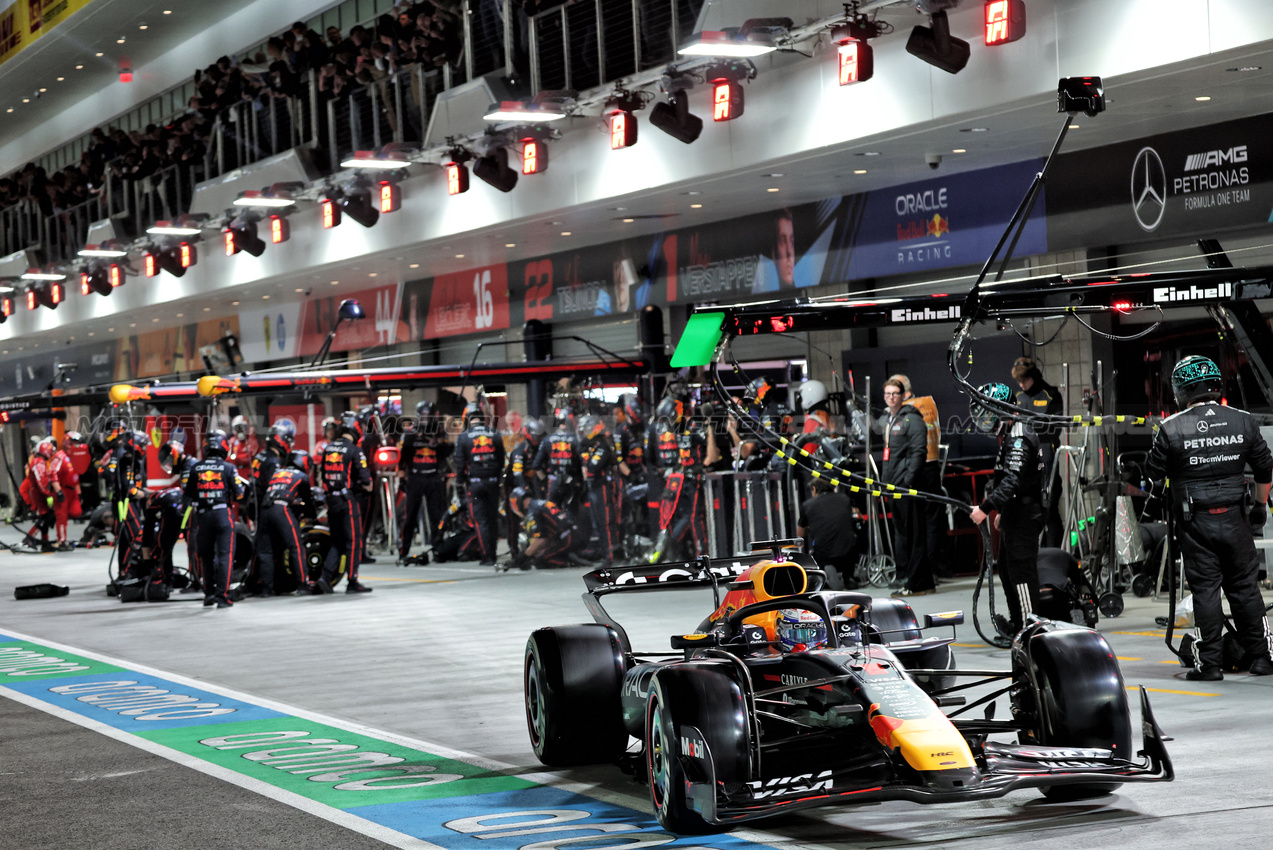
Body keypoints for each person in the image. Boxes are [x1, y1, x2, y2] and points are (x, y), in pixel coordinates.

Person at [1145, 355, 1273, 680]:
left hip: (1195, 522)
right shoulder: (1243, 421)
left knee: (1205, 592)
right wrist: (1260, 505)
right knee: (1245, 589)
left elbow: (1153, 474)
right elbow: (1264, 467)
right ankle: (1261, 658)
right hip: (1236, 517)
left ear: (1180, 390)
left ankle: (1210, 665)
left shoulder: (1171, 427)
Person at [968, 382, 1046, 640]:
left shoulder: (1019, 436)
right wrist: (1001, 510)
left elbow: (1013, 480)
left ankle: (1030, 629)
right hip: (1015, 510)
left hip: (1026, 513)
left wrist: (986, 508)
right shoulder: (1011, 431)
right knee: (1006, 567)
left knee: (1021, 572)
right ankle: (1017, 624)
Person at [890, 374, 947, 578]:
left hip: (912, 472)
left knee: (909, 526)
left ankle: (910, 571)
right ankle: (931, 567)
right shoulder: (928, 403)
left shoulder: (903, 415)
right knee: (931, 521)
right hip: (932, 468)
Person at [649, 396, 720, 562]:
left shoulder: (695, 426)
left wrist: (709, 429)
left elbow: (713, 456)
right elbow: (684, 455)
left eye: (671, 417)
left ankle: (702, 556)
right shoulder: (680, 430)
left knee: (695, 518)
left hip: (697, 480)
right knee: (683, 516)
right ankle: (680, 553)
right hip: (684, 480)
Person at [881, 377, 932, 597]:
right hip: (893, 485)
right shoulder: (889, 419)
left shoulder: (912, 418)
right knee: (903, 536)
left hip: (906, 486)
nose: (891, 397)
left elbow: (919, 451)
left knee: (914, 535)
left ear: (903, 395)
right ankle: (912, 580)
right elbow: (888, 455)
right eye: (887, 394)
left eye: (895, 393)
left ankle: (919, 583)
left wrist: (908, 481)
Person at [185, 430, 245, 609]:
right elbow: (240, 495)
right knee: (225, 555)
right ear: (223, 446)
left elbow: (188, 496)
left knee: (206, 556)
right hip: (222, 514)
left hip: (202, 515)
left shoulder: (196, 467)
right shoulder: (228, 467)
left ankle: (209, 594)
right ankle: (222, 597)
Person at [317, 415, 374, 593]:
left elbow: (322, 477)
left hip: (331, 501)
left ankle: (325, 577)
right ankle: (352, 581)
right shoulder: (355, 450)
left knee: (337, 542)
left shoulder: (327, 449)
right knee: (354, 541)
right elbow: (368, 484)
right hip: (347, 501)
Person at [1012, 356, 1065, 547]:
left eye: (1024, 380)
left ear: (1032, 376)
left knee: (1049, 509)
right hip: (1025, 461)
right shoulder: (1017, 399)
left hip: (1047, 459)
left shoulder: (1051, 395)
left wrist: (1034, 427)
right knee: (1028, 511)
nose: (1022, 385)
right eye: (1018, 382)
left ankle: (1052, 553)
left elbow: (1056, 428)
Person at [257, 450, 319, 595]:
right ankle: (303, 584)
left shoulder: (276, 473)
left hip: (265, 511)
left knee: (266, 551)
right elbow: (308, 502)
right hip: (281, 509)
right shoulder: (301, 476)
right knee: (296, 546)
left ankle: (267, 589)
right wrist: (312, 516)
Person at [398, 400, 451, 562]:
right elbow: (404, 457)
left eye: (429, 416)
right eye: (423, 416)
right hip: (416, 478)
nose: (426, 419)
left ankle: (437, 549)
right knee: (410, 516)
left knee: (436, 515)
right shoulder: (411, 432)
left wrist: (439, 442)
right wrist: (402, 476)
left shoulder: (440, 432)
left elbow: (447, 453)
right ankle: (404, 550)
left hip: (434, 477)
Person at [454, 401, 505, 567]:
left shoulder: (463, 437)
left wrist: (460, 482)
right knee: (492, 519)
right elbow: (501, 460)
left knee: (481, 521)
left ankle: (487, 556)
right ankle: (494, 554)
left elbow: (460, 464)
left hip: (475, 484)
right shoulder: (495, 434)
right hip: (493, 483)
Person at [797, 478, 858, 590]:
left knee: (818, 551)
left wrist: (814, 527)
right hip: (847, 551)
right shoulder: (844, 499)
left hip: (823, 553)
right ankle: (849, 578)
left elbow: (800, 533)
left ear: (814, 489)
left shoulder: (808, 505)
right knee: (850, 541)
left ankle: (822, 580)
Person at [504, 416, 545, 561]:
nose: (539, 439)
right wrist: (526, 492)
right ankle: (514, 550)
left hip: (533, 485)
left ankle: (536, 548)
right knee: (513, 520)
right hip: (515, 488)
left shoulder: (541, 447)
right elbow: (517, 475)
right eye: (537, 436)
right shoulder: (520, 451)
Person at [579, 414, 616, 567]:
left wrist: (586, 462)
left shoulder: (602, 445)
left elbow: (592, 468)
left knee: (605, 523)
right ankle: (602, 552)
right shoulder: (592, 445)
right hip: (594, 487)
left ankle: (610, 557)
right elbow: (582, 456)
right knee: (598, 523)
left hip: (602, 487)